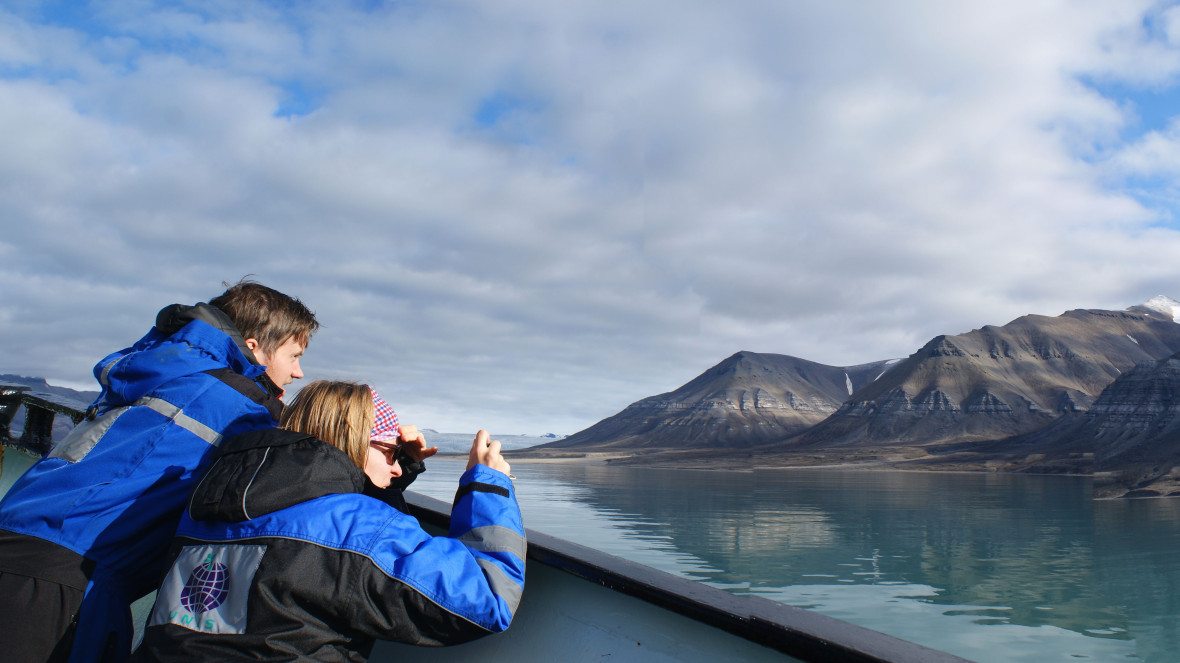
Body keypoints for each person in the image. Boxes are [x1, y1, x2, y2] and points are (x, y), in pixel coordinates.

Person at [0, 279, 319, 663]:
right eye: (294, 355)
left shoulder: (171, 373)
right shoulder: (232, 401)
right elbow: (305, 459)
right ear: (254, 348)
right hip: (66, 580)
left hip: (26, 553)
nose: (298, 372)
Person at [131, 381, 525, 661]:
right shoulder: (354, 526)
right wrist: (487, 486)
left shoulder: (208, 501)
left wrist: (393, 471)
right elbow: (486, 598)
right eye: (390, 451)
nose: (395, 465)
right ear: (355, 443)